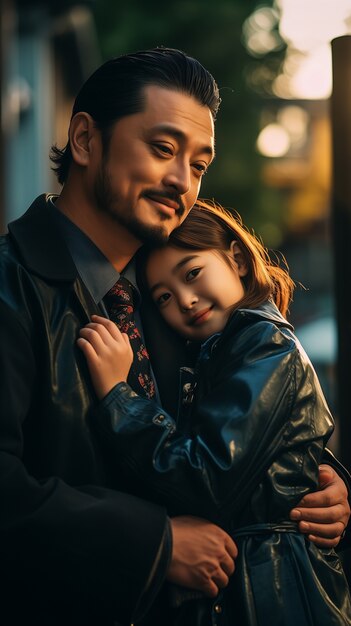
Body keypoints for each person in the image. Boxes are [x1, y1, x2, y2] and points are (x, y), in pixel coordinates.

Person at [0, 48, 348, 626]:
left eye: (198, 164)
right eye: (163, 149)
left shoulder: (178, 304)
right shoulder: (11, 287)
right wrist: (154, 543)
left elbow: (235, 434)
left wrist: (316, 491)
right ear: (85, 141)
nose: (181, 181)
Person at [78, 200, 351, 625]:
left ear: (237, 259)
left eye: (192, 273)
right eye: (164, 296)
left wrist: (117, 395)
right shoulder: (220, 354)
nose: (185, 300)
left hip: (273, 594)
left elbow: (205, 472)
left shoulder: (264, 345)